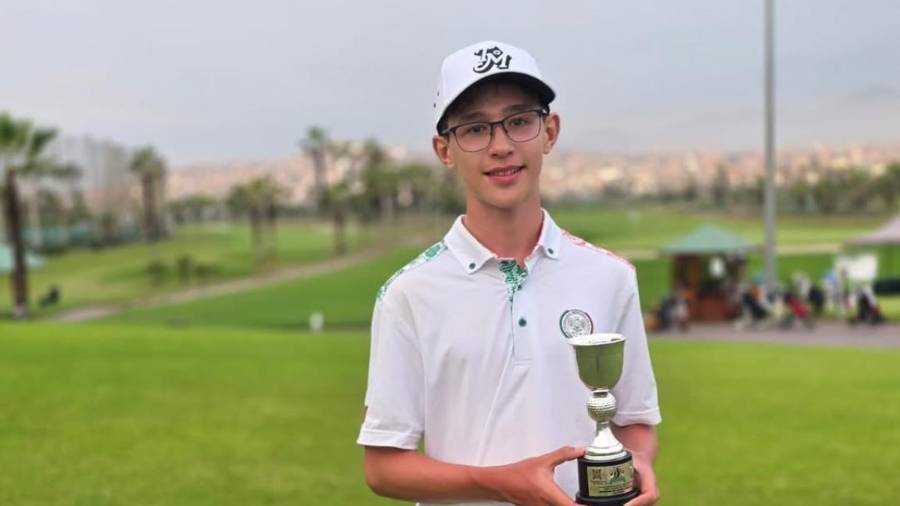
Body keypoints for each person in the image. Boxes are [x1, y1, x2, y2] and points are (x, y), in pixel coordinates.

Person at [357, 41, 661, 506]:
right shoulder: (408, 294)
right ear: (444, 149)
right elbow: (383, 467)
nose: (501, 146)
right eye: (475, 129)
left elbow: (635, 420)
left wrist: (636, 465)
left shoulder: (610, 276)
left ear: (549, 131)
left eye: (519, 121)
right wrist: (498, 481)